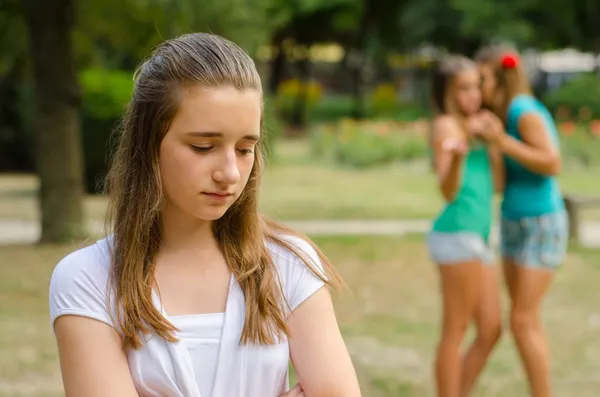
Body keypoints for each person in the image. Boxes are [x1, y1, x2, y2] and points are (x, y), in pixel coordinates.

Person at [49, 33, 361, 397]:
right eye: (203, 146)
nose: (229, 172)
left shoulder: (288, 264)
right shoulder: (88, 278)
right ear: (148, 144)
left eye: (245, 149)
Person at [473, 46, 567, 397]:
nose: (476, 85)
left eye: (480, 78)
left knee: (522, 320)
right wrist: (492, 144)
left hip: (541, 222)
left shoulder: (524, 111)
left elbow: (552, 162)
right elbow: (500, 184)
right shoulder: (503, 114)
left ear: (499, 77)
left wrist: (502, 141)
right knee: (525, 321)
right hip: (513, 219)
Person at [427, 55, 504, 397]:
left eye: (477, 86)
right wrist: (458, 155)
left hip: (479, 236)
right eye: (463, 88)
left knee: (491, 328)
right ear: (447, 92)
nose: (473, 95)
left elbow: (498, 184)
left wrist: (496, 140)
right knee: (455, 331)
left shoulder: (480, 126)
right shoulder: (447, 126)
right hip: (457, 234)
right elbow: (446, 189)